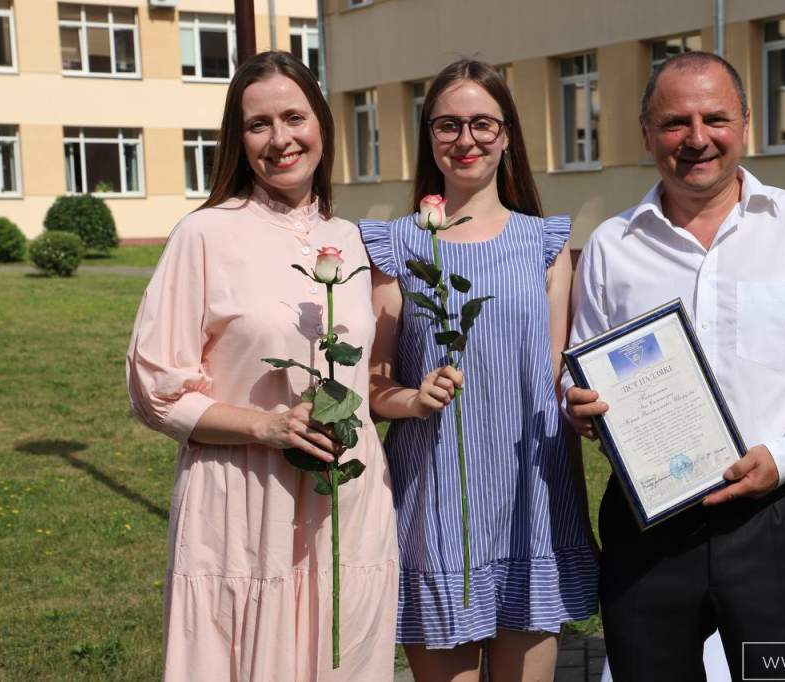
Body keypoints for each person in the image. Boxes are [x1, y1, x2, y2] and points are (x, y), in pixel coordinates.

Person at [566, 52, 785, 681]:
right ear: (646, 133)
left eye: (715, 118)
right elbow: (582, 364)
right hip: (648, 526)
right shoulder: (615, 243)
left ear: (745, 122)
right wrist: (578, 402)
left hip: (774, 516)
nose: (697, 138)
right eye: (675, 122)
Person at [126, 52, 397, 681]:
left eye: (294, 117)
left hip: (345, 503)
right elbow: (155, 388)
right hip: (242, 503)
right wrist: (264, 427)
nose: (281, 140)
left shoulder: (352, 239)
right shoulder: (204, 235)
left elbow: (370, 376)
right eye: (259, 125)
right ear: (237, 139)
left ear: (323, 125)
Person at [359, 59, 598, 681]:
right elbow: (375, 385)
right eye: (448, 125)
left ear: (509, 135)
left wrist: (590, 405)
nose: (466, 140)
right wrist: (413, 398)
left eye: (483, 124)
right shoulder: (397, 245)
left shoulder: (544, 243)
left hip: (531, 492)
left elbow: (555, 371)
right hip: (438, 496)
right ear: (429, 138)